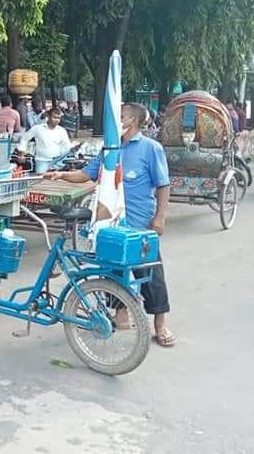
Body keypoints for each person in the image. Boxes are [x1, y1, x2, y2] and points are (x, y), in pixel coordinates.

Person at [45, 102, 175, 347]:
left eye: (122, 116)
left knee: (151, 272)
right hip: (110, 223)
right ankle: (121, 314)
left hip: (139, 223)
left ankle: (160, 324)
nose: (118, 120)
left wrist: (160, 217)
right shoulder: (110, 149)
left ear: (134, 121)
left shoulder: (151, 148)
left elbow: (163, 185)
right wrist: (61, 174)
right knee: (111, 270)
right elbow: (87, 174)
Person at [17, 107, 72, 174]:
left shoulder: (62, 130)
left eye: (59, 118)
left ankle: (56, 168)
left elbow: (67, 147)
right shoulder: (38, 128)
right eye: (54, 117)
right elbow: (25, 138)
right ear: (48, 117)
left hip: (57, 161)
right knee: (41, 179)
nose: (57, 120)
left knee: (71, 151)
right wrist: (22, 153)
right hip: (42, 160)